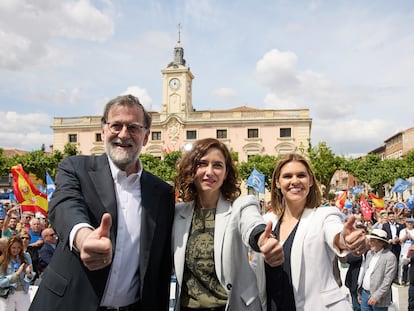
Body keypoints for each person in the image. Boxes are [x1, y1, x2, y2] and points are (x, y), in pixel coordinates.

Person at [30, 94, 175, 311]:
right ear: (103, 130)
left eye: (133, 127)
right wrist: (83, 237)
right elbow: (65, 204)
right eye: (116, 125)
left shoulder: (162, 193)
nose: (123, 134)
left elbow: (159, 266)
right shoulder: (75, 167)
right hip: (67, 304)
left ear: (145, 137)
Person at [172, 138, 283, 311]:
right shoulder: (179, 213)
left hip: (233, 306)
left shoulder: (241, 205)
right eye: (202, 164)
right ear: (191, 170)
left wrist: (262, 240)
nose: (209, 172)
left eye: (217, 165)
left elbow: (252, 224)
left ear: (226, 173)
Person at [262, 152, 367, 310]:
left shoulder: (324, 215)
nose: (295, 181)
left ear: (310, 181)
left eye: (301, 175)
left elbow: (336, 235)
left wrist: (346, 240)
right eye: (287, 176)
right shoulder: (266, 221)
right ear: (277, 182)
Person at [359, 229, 397, 311]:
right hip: (365, 293)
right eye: (370, 240)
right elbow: (366, 274)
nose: (370, 242)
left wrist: (376, 296)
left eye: (373, 240)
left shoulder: (390, 257)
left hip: (379, 298)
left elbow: (387, 280)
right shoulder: (369, 253)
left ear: (380, 242)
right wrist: (361, 292)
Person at [0, 236, 35, 311]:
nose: (16, 250)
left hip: (23, 292)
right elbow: (1, 282)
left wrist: (28, 274)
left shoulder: (26, 257)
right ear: (9, 247)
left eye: (19, 247)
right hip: (8, 294)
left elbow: (30, 277)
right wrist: (15, 275)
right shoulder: (3, 260)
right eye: (13, 247)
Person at [381, 211, 405, 283]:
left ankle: (395, 278)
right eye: (390, 217)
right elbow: (383, 235)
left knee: (396, 262)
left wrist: (398, 239)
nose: (392, 218)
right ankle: (388, 277)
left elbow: (401, 234)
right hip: (389, 246)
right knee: (388, 262)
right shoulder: (385, 226)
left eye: (393, 216)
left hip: (397, 246)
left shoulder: (400, 225)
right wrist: (389, 240)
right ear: (388, 217)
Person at [398, 217, 414, 285]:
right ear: (406, 223)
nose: (410, 224)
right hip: (404, 251)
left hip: (412, 252)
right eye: (408, 223)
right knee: (404, 267)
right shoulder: (402, 231)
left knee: (411, 267)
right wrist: (406, 235)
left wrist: (410, 236)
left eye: (411, 223)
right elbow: (400, 241)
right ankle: (403, 280)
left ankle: (410, 280)